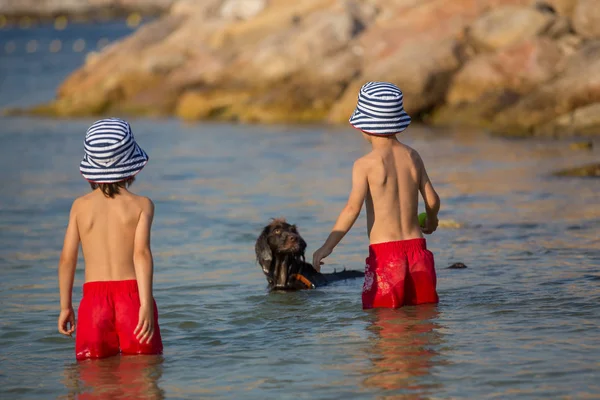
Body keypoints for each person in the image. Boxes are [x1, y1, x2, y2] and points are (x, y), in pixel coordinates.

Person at [312, 82, 441, 309]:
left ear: (363, 127)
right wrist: (431, 220)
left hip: (386, 257)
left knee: (384, 324)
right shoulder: (413, 156)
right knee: (424, 320)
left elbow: (352, 210)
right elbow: (432, 200)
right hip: (418, 252)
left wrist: (327, 246)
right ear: (398, 123)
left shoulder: (365, 165)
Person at [57, 118, 163, 360]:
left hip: (93, 302)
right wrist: (145, 305)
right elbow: (141, 254)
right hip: (133, 298)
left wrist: (65, 306)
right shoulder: (142, 205)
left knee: (94, 378)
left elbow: (66, 259)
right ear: (132, 166)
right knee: (144, 376)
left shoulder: (79, 207)